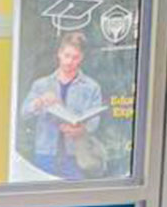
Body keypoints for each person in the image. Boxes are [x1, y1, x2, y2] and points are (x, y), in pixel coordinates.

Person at [20, 30, 106, 179]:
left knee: (75, 191)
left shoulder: (92, 87)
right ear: (59, 54)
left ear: (81, 58)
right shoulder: (41, 84)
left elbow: (94, 122)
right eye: (67, 55)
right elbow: (24, 113)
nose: (69, 61)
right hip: (45, 152)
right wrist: (39, 102)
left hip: (76, 154)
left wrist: (81, 130)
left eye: (75, 57)